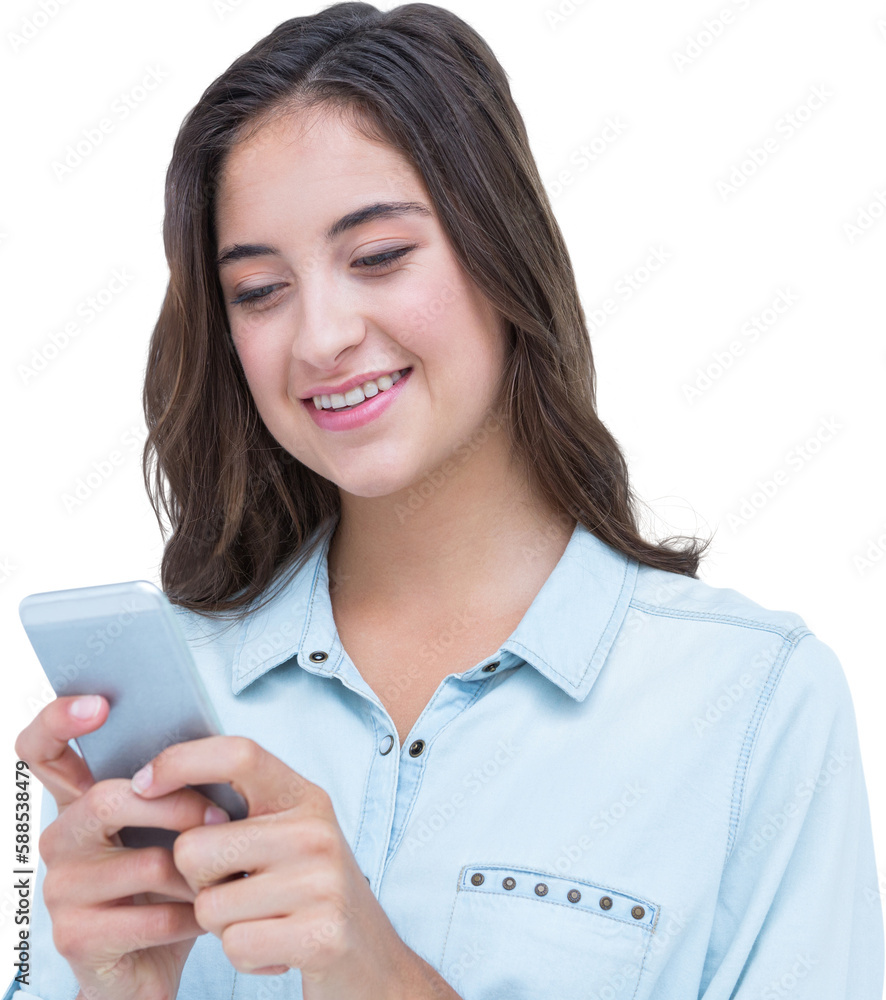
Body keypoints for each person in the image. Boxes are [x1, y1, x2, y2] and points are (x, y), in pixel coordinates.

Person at [9, 3, 884, 999]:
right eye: (258, 290)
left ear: (501, 245)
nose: (321, 336)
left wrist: (377, 973)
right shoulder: (174, 716)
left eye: (378, 256)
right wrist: (113, 987)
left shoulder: (753, 704)